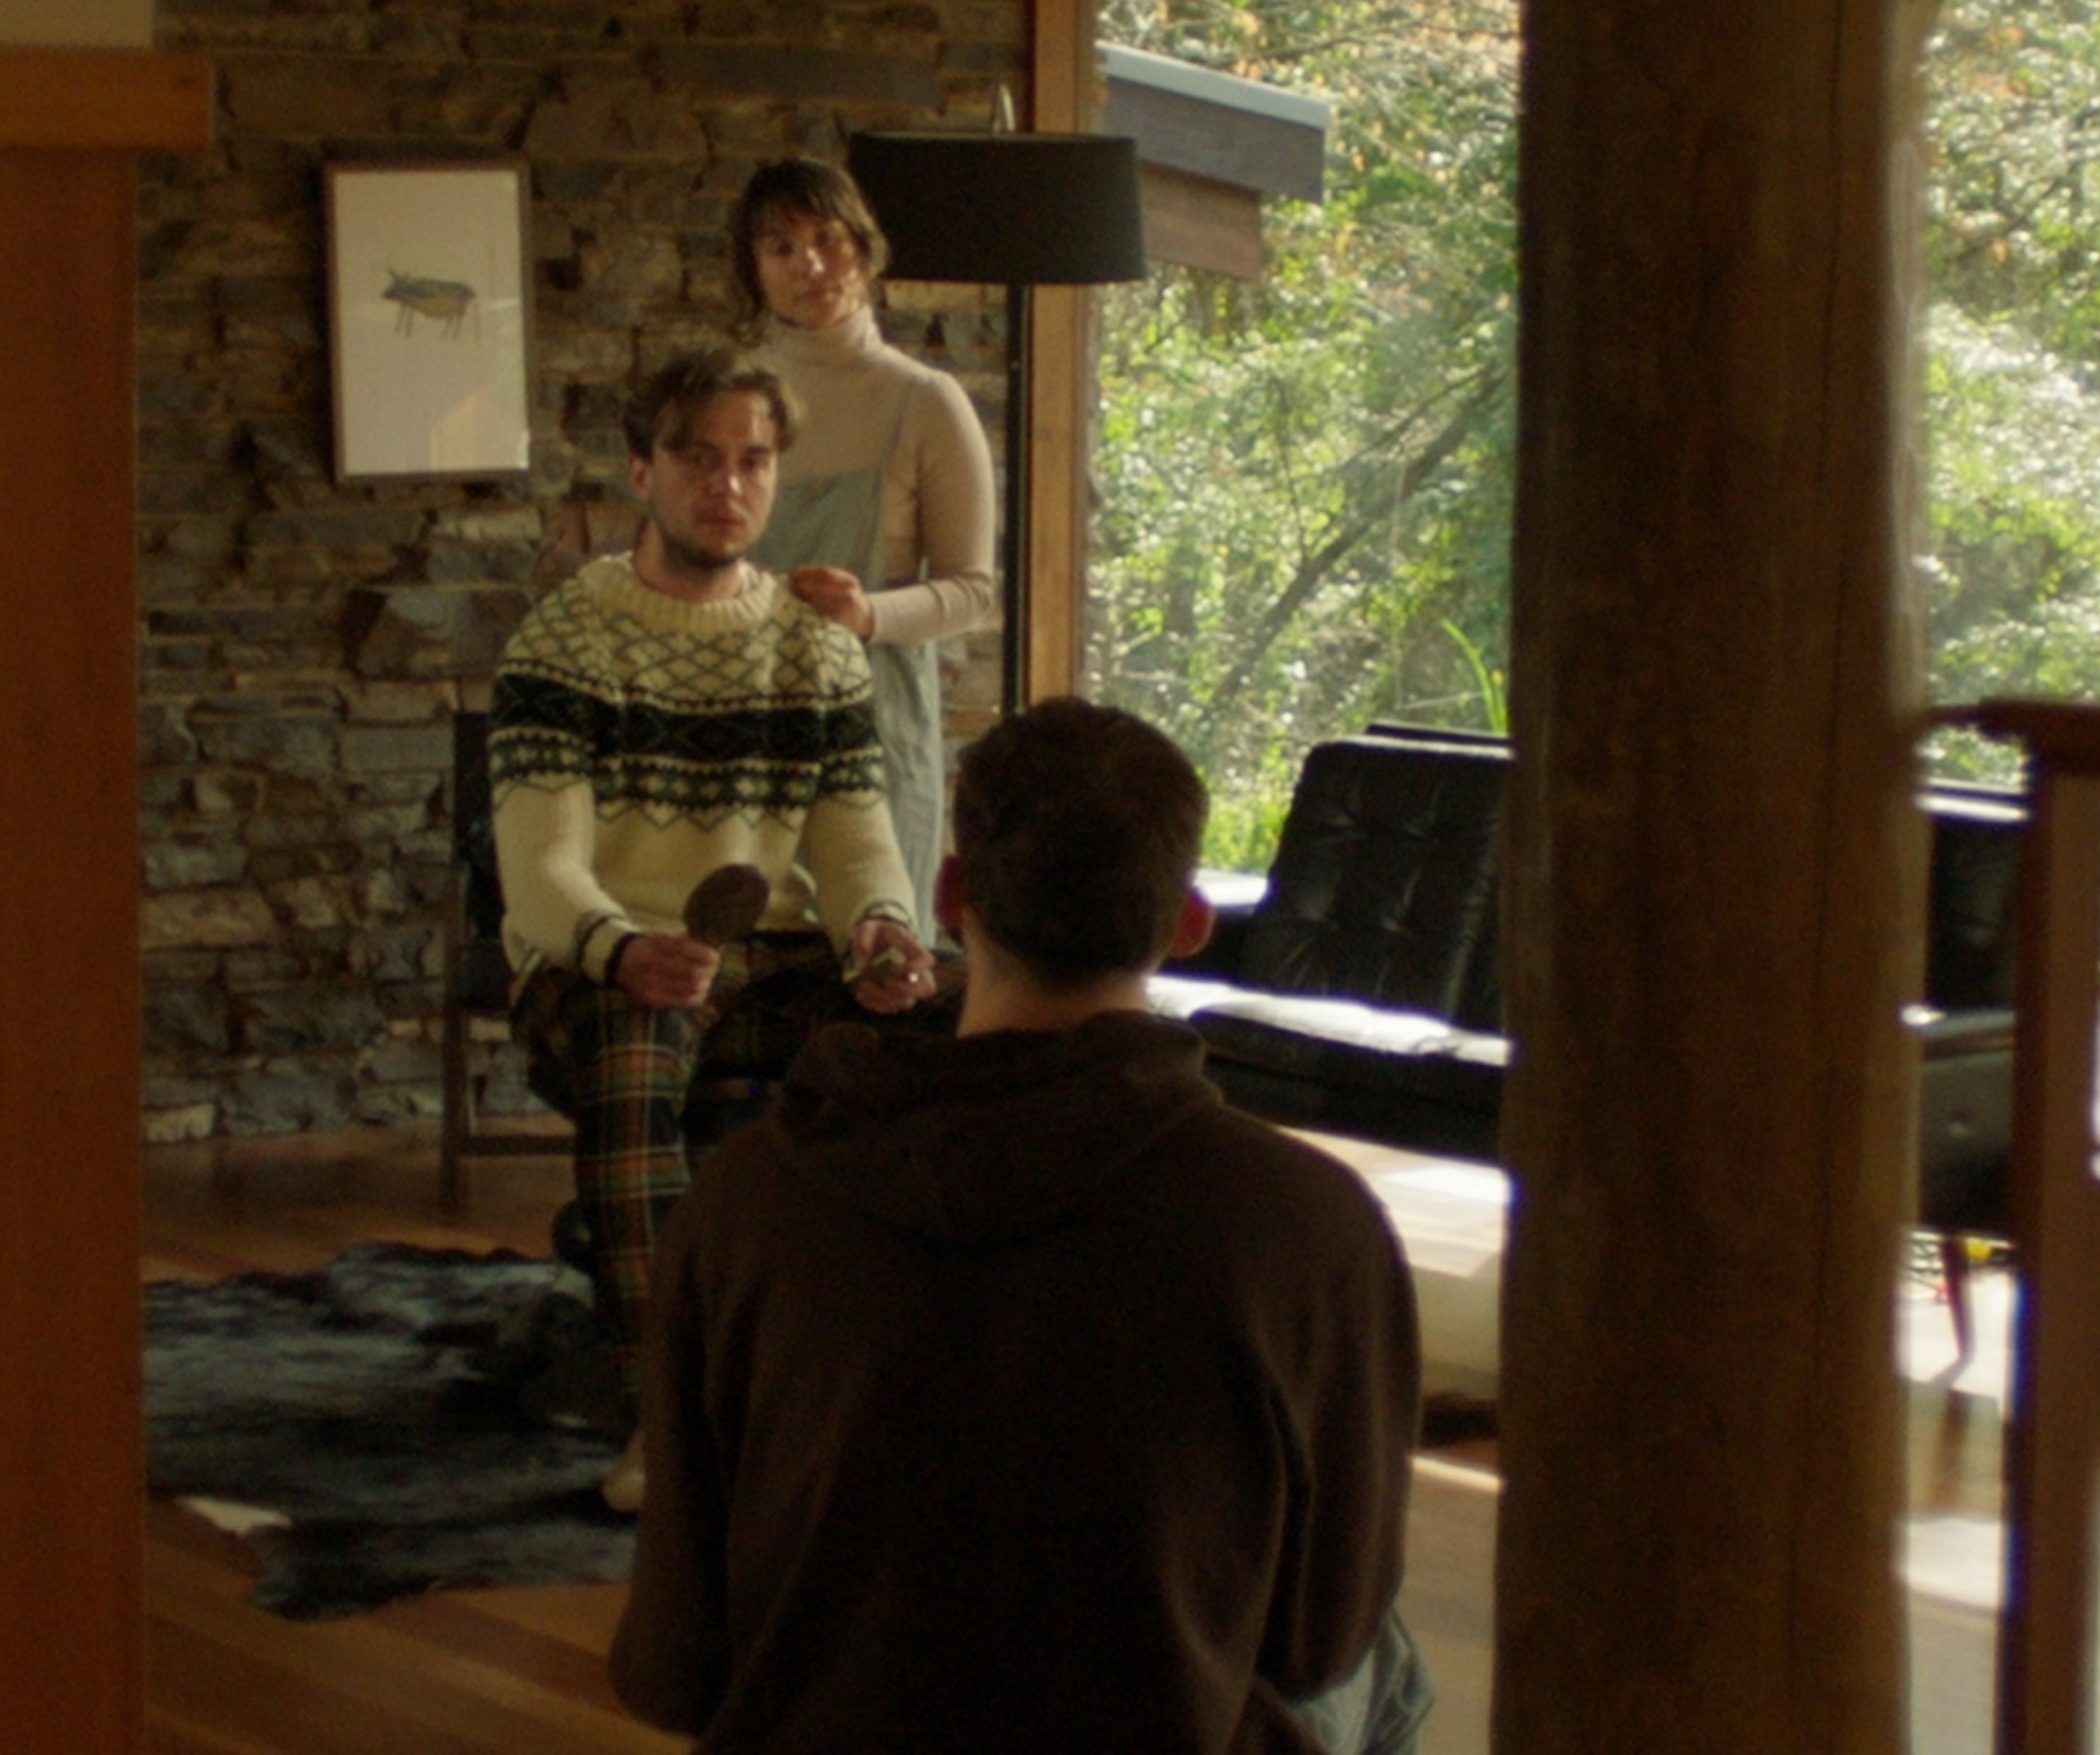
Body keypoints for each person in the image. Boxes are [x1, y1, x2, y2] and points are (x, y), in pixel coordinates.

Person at [609, 698, 1431, 1755]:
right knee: (1389, 1664)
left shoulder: (746, 1202)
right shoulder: (1311, 1229)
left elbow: (674, 1671)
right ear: (1187, 923)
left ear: (954, 899)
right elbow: (1320, 1640)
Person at [490, 346, 938, 1513]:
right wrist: (623, 948)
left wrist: (885, 939)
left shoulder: (819, 649)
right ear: (642, 470)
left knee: (960, 1030)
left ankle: (912, 1397)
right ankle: (667, 1424)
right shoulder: (563, 641)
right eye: (699, 458)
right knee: (639, 1058)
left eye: (752, 461)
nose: (727, 485)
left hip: (775, 963)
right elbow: (540, 871)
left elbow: (855, 843)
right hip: (600, 965)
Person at [729, 155, 997, 934]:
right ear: (754, 268)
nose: (807, 263)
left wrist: (868, 613)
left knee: (875, 969)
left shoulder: (925, 402)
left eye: (827, 237)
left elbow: (971, 589)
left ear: (865, 247)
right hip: (743, 733)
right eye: (780, 247)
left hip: (874, 736)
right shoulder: (732, 398)